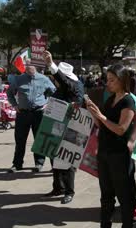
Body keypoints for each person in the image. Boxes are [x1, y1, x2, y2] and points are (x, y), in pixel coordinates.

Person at [86, 64, 136, 228]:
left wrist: (101, 116)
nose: (108, 83)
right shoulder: (110, 99)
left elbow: (121, 129)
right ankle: (105, 224)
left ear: (122, 80)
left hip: (119, 156)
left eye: (112, 80)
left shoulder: (128, 101)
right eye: (107, 80)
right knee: (106, 194)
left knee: (124, 195)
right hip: (105, 154)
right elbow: (103, 126)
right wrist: (95, 115)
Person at [42, 51, 84, 204]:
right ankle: (58, 187)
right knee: (53, 156)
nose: (54, 80)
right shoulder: (62, 86)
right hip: (57, 125)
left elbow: (65, 83)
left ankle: (69, 191)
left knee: (67, 160)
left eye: (56, 77)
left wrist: (51, 64)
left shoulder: (74, 85)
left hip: (72, 128)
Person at [6, 63, 56, 173]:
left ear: (36, 67)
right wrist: (14, 104)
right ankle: (17, 164)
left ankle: (39, 163)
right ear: (25, 68)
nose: (30, 69)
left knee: (39, 139)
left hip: (39, 113)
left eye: (32, 67)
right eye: (27, 67)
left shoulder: (43, 79)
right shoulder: (18, 79)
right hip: (23, 113)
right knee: (20, 139)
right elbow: (9, 93)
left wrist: (48, 103)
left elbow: (54, 92)